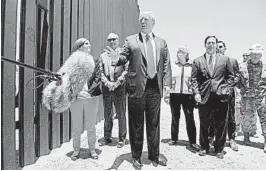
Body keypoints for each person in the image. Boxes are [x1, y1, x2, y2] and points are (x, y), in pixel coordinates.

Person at [107, 11, 172, 169]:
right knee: (136, 124)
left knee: (154, 123)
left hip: (154, 87)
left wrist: (167, 85)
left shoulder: (162, 43)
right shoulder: (130, 40)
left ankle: (154, 154)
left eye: (146, 19)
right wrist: (116, 58)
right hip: (136, 87)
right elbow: (123, 57)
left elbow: (166, 65)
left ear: (153, 23)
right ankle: (136, 157)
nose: (142, 21)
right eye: (141, 19)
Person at [191, 36, 234, 159]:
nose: (211, 45)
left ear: (216, 45)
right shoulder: (197, 61)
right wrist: (196, 93)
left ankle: (219, 149)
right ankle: (204, 147)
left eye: (213, 43)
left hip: (221, 96)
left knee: (221, 123)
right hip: (204, 96)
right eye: (208, 43)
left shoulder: (225, 60)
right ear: (205, 45)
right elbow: (194, 80)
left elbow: (231, 77)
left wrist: (227, 88)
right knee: (204, 123)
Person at [164, 46, 198, 150]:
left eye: (182, 51)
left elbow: (195, 80)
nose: (180, 52)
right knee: (175, 117)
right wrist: (167, 94)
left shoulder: (192, 65)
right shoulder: (173, 65)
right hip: (175, 94)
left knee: (190, 118)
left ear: (187, 54)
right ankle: (174, 138)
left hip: (188, 95)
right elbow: (167, 79)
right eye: (178, 51)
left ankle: (192, 141)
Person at [99, 33, 128, 148]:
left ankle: (122, 138)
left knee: (120, 113)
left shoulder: (123, 54)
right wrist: (107, 83)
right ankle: (107, 137)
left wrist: (117, 83)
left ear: (118, 40)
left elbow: (127, 69)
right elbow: (100, 71)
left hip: (119, 87)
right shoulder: (103, 56)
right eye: (109, 40)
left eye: (114, 39)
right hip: (107, 88)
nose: (112, 42)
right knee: (107, 113)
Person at [239, 43, 266, 152]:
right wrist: (241, 88)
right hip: (247, 97)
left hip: (261, 97)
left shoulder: (265, 67)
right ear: (250, 54)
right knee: (246, 116)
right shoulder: (242, 66)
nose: (255, 56)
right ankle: (246, 137)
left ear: (261, 55)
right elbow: (237, 80)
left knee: (264, 118)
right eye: (253, 54)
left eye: (258, 54)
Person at [218, 40, 239, 151]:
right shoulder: (212, 61)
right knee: (214, 116)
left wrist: (227, 87)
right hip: (215, 94)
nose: (218, 49)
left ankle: (231, 138)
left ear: (225, 48)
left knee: (230, 116)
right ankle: (213, 138)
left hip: (228, 93)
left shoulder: (232, 61)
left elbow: (237, 77)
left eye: (221, 47)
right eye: (217, 47)